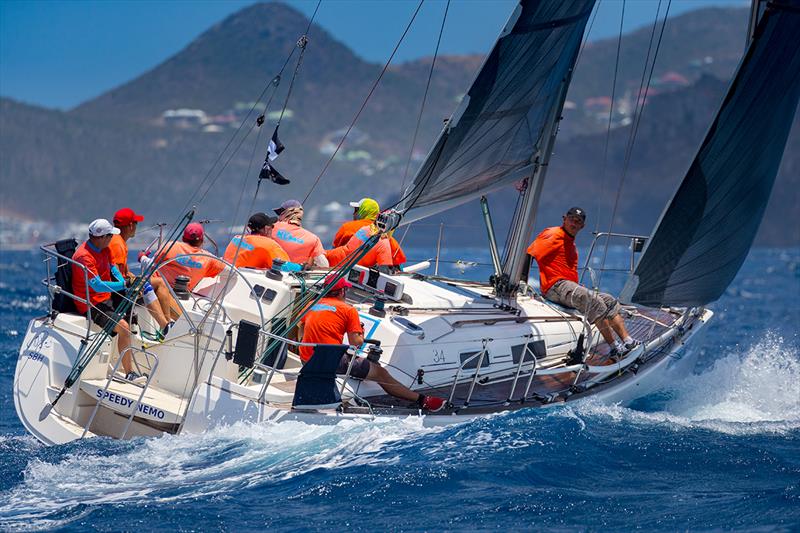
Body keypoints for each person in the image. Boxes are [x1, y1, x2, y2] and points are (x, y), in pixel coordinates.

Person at [297, 277, 445, 412]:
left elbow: (300, 330)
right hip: (330, 362)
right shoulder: (348, 310)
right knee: (381, 373)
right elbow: (356, 343)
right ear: (342, 291)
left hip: (307, 359)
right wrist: (361, 330)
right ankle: (422, 400)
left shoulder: (311, 305)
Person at [528, 207, 639, 357]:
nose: (574, 223)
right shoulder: (553, 234)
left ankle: (628, 341)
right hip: (554, 287)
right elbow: (530, 253)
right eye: (571, 218)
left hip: (567, 286)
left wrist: (577, 287)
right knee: (593, 301)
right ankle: (614, 347)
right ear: (564, 219)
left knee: (610, 301)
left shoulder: (571, 244)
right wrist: (520, 282)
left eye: (578, 221)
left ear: (582, 226)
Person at [71, 219, 138, 379]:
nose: (111, 239)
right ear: (100, 237)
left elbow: (112, 268)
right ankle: (130, 373)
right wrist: (123, 285)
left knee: (134, 312)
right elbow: (97, 286)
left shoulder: (105, 249)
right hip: (90, 303)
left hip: (106, 297)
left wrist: (122, 281)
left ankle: (121, 356)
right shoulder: (84, 256)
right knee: (124, 328)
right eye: (109, 236)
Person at [109, 208, 171, 333]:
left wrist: (133, 277)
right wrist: (132, 283)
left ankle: (167, 324)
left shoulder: (118, 240)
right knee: (152, 284)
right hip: (117, 290)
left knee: (157, 282)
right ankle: (165, 326)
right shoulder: (118, 243)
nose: (137, 226)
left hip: (121, 285)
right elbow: (114, 272)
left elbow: (124, 272)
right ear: (131, 225)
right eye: (136, 223)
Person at [333, 197, 406, 268]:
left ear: (363, 211)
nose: (353, 214)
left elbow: (334, 252)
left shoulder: (347, 228)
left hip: (346, 271)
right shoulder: (386, 236)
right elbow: (398, 264)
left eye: (356, 210)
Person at [153, 223, 225, 291]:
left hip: (159, 290)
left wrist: (142, 257)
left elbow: (152, 263)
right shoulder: (208, 258)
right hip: (184, 296)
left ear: (183, 238)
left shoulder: (170, 246)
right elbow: (229, 270)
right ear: (202, 240)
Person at [271, 200, 328, 268]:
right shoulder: (313, 239)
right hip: (294, 276)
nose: (278, 216)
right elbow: (324, 265)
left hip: (268, 273)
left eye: (280, 213)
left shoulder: (270, 228)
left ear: (286, 213)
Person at [223, 212, 290, 269]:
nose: (272, 230)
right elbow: (286, 267)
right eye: (272, 227)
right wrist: (300, 267)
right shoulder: (269, 244)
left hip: (229, 276)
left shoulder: (236, 238)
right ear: (266, 229)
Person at [325, 221, 394, 270]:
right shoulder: (384, 243)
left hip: (332, 257)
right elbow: (384, 269)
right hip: (343, 268)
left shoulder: (365, 228)